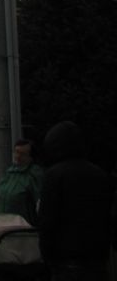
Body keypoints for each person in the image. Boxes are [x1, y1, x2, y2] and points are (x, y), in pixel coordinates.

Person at [38, 120, 115, 280]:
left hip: (66, 263)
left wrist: (47, 256)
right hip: (98, 261)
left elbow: (47, 221)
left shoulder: (54, 175)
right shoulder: (100, 174)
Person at [0, 138, 43, 224]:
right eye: (16, 152)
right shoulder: (9, 173)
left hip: (23, 227)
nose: (18, 156)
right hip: (3, 224)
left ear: (31, 157)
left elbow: (40, 203)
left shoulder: (34, 175)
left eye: (22, 154)